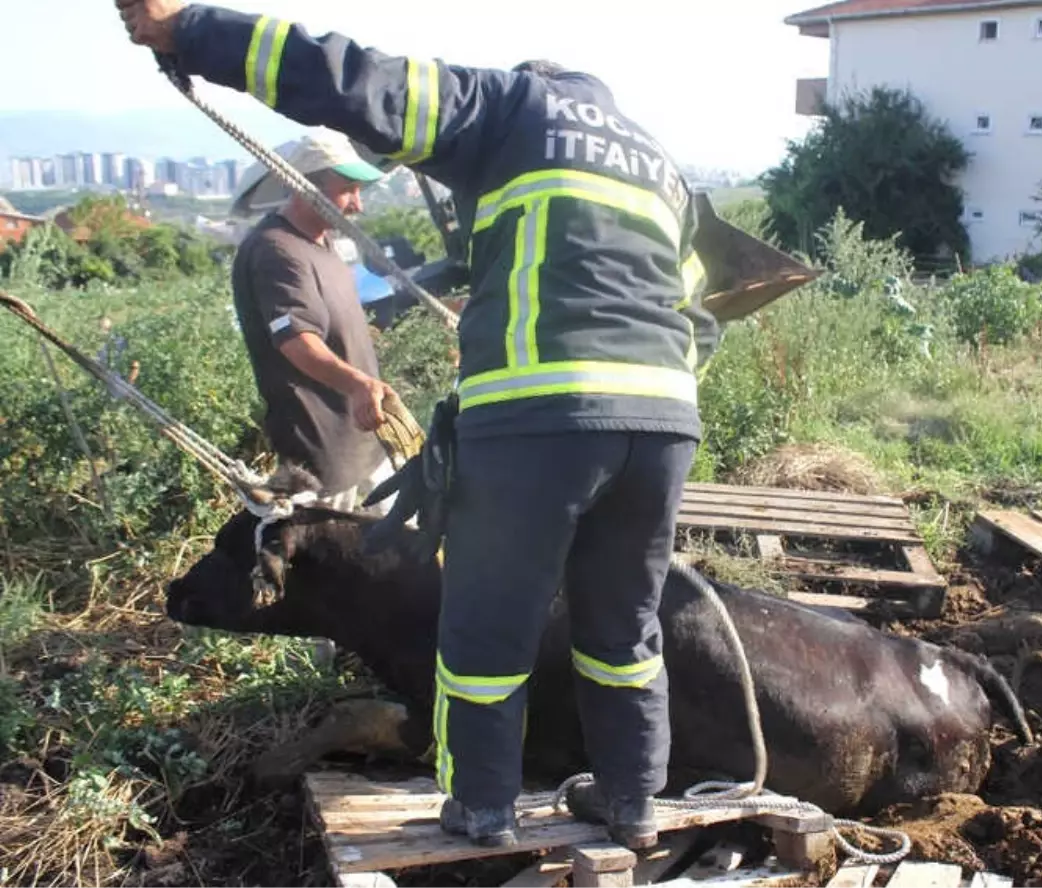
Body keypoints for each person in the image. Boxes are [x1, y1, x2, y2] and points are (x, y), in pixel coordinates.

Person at [117, 0, 723, 851]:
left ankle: (482, 805)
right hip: (661, 424)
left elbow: (352, 80)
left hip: (539, 419)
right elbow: (699, 311)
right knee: (625, 622)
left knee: (486, 621)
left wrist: (189, 30)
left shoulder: (513, 105)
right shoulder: (659, 164)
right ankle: (631, 800)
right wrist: (649, 400)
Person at [229, 130, 400, 513]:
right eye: (348, 190)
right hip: (322, 460)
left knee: (403, 559)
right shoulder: (276, 250)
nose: (357, 204)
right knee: (334, 566)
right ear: (303, 186)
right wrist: (357, 384)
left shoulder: (322, 244)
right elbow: (297, 341)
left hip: (364, 447)